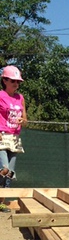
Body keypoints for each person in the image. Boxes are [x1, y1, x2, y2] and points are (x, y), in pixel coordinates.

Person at [0, 65, 27, 213]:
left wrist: (22, 121)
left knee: (10, 172)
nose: (16, 84)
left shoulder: (20, 98)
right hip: (2, 136)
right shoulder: (0, 96)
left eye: (18, 81)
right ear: (4, 80)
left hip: (15, 138)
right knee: (3, 168)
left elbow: (25, 119)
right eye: (12, 81)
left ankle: (1, 202)